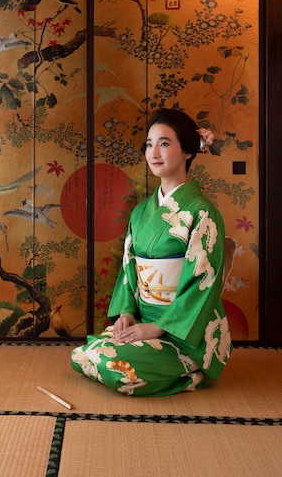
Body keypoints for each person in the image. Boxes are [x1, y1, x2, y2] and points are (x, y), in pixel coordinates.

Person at [71, 107, 232, 396]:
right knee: (83, 355)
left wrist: (157, 328)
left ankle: (193, 371)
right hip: (144, 323)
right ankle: (154, 358)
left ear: (187, 152)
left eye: (164, 143)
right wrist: (127, 314)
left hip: (185, 332)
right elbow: (129, 269)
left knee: (116, 369)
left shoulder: (202, 212)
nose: (153, 152)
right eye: (149, 144)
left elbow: (203, 283)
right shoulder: (141, 211)